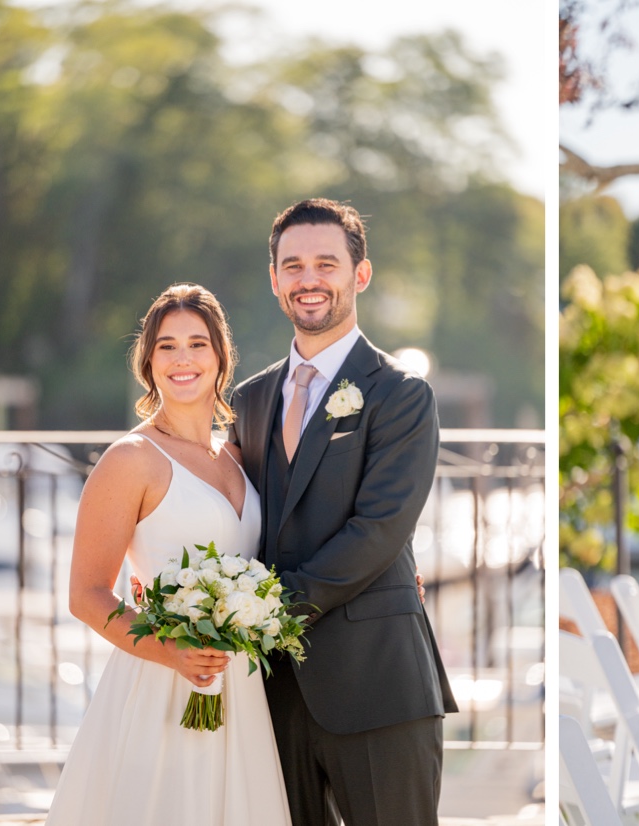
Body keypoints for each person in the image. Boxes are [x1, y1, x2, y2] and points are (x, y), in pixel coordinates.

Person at [231, 198, 457, 825]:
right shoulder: (249, 401)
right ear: (275, 279)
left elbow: (379, 528)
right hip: (270, 695)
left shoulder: (401, 394)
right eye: (293, 265)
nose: (309, 279)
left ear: (360, 274)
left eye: (326, 263)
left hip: (377, 683)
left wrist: (265, 613)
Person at [50, 284, 294, 825]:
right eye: (166, 346)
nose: (183, 359)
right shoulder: (131, 459)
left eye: (197, 344)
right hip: (162, 679)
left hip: (241, 688)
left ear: (221, 358)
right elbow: (86, 594)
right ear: (148, 362)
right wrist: (171, 651)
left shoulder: (236, 454)